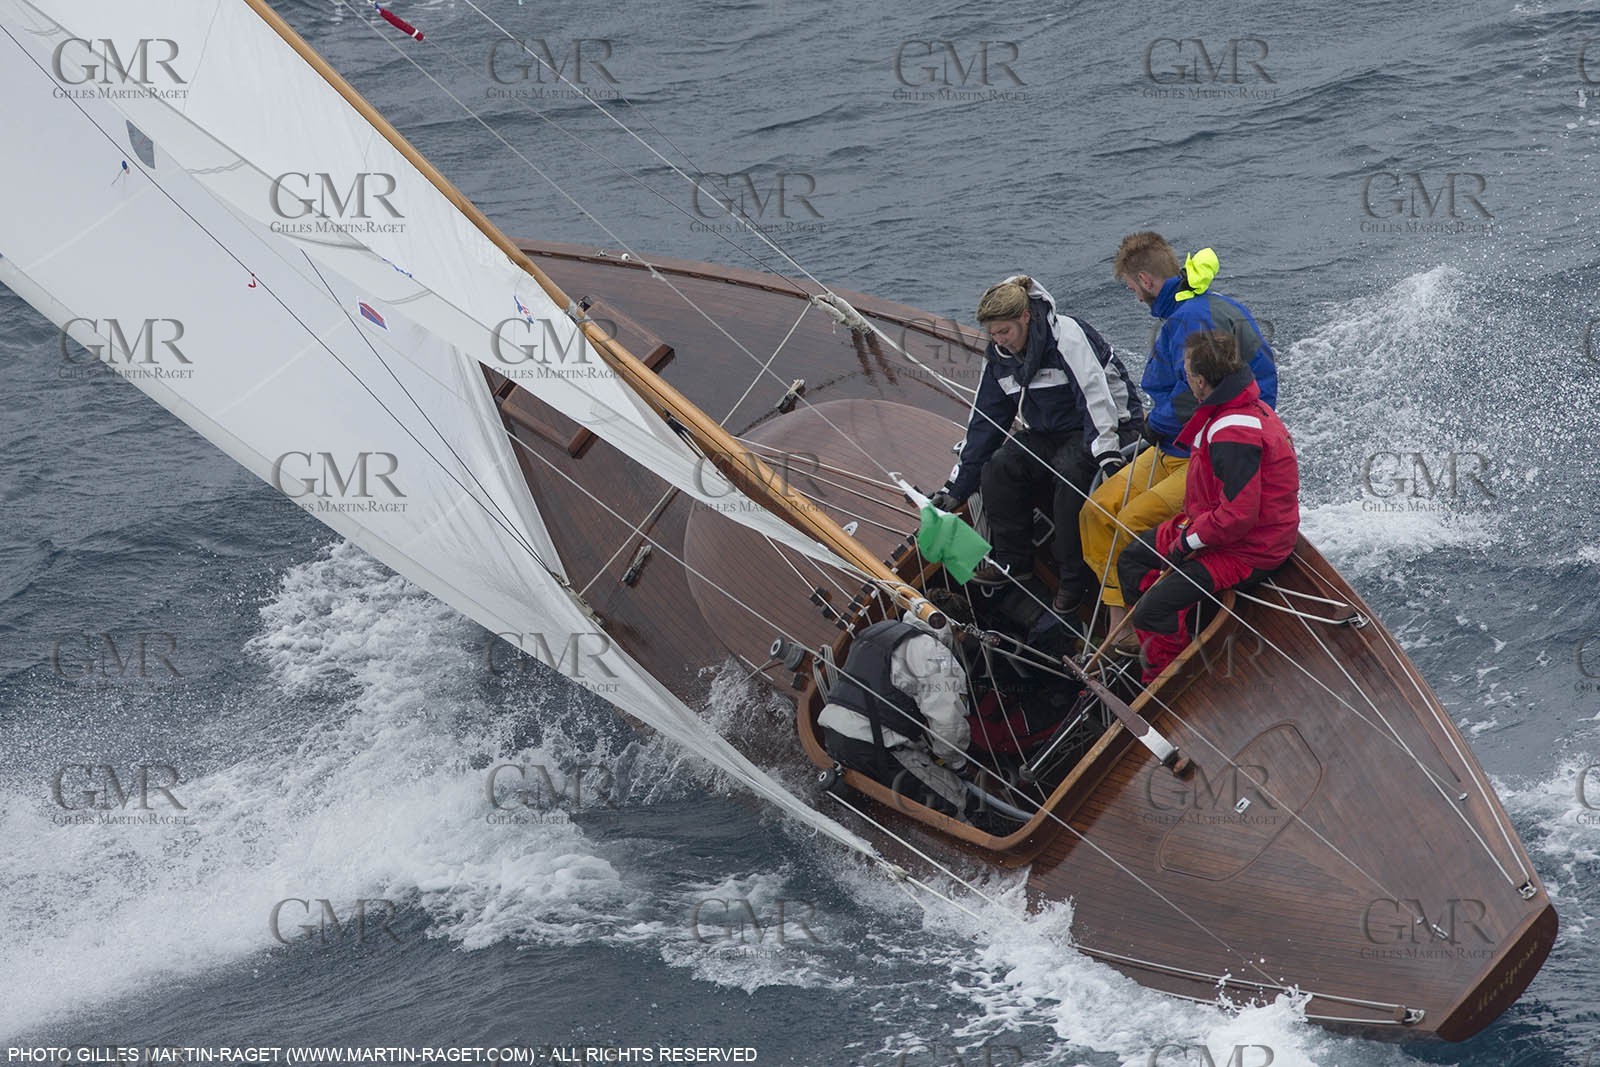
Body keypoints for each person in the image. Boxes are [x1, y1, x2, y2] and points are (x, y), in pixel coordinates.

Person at [1081, 235, 1279, 642]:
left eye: (1131, 288)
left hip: (1200, 449)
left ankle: (1137, 632)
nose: (1134, 297)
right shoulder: (1187, 309)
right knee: (1097, 511)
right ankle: (1118, 618)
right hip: (1173, 444)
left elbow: (1198, 395)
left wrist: (1157, 424)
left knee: (1130, 524)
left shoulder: (1191, 320)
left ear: (1145, 280)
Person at [929, 275, 1143, 613]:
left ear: (1026, 316)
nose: (1000, 341)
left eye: (1006, 332)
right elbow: (985, 420)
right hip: (1050, 432)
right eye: (993, 334)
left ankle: (1074, 581)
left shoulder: (1068, 338)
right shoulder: (1000, 356)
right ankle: (1014, 564)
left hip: (1111, 426)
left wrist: (1108, 457)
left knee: (1071, 475)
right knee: (1000, 467)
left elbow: (1096, 400)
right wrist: (959, 485)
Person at [1116, 330, 1299, 682]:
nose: (1185, 377)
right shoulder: (1237, 408)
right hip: (1215, 529)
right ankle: (1166, 632)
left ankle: (1167, 680)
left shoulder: (1234, 433)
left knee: (1151, 613)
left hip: (1248, 549)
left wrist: (1187, 543)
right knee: (1133, 557)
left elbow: (1238, 516)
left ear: (1200, 382)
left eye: (1187, 371)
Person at [818, 608, 978, 819]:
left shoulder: (878, 630)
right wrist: (958, 763)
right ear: (951, 627)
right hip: (874, 746)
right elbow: (949, 723)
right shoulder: (937, 655)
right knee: (957, 802)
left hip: (833, 734)